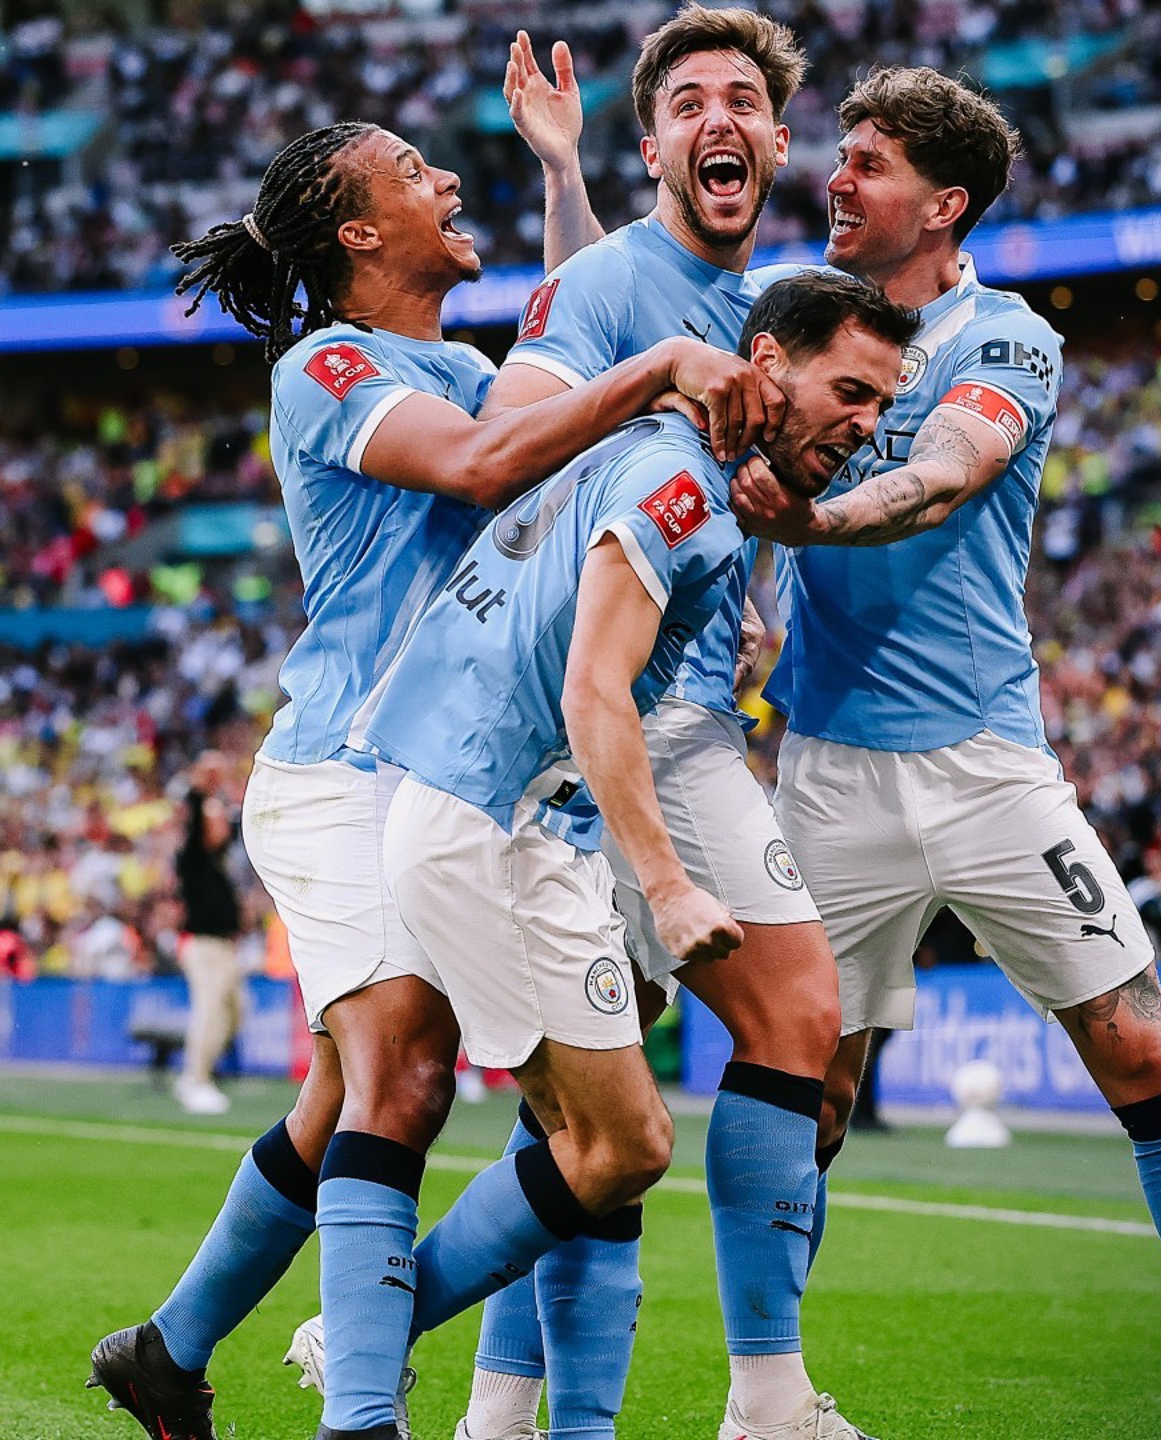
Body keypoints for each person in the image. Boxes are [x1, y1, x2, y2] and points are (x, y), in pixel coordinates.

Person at [86, 118, 774, 1440]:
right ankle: (363, 1416)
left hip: (478, 782)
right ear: (355, 231)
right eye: (412, 172)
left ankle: (173, 1351)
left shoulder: (465, 361)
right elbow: (480, 461)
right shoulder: (330, 366)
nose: (447, 180)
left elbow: (574, 357)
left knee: (365, 1090)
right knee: (402, 1066)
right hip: (344, 774)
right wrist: (653, 371)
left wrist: (571, 187)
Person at [729, 66, 1161, 1440]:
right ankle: (763, 1401)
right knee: (808, 1086)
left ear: (944, 204)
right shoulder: (786, 314)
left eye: (871, 161)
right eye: (840, 154)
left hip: (990, 766)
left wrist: (806, 527)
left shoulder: (1007, 339)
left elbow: (941, 476)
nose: (837, 178)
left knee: (1137, 1049)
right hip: (827, 768)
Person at [344, 271, 907, 1440]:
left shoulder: (653, 449)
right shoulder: (679, 485)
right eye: (848, 391)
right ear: (765, 365)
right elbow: (593, 691)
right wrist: (668, 882)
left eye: (878, 406)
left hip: (485, 815)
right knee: (624, 1143)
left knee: (595, 1145)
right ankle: (369, 1339)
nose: (862, 426)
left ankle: (489, 1402)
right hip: (501, 829)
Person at [469, 13, 884, 1438]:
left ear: (779, 141)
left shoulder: (772, 305)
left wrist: (560, 180)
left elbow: (631, 298)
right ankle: (754, 1391)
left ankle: (506, 1404)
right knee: (779, 1030)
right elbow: (519, 429)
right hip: (614, 720)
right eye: (692, 102)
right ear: (660, 144)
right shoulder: (604, 289)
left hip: (689, 712)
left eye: (749, 102)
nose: (724, 119)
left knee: (638, 1091)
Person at [173, 753, 249, 1117]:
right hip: (201, 942)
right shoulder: (191, 854)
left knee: (236, 1011)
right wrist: (205, 785)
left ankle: (203, 1072)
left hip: (223, 943)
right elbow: (194, 818)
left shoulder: (219, 859)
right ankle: (194, 1080)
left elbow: (232, 826)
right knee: (209, 1010)